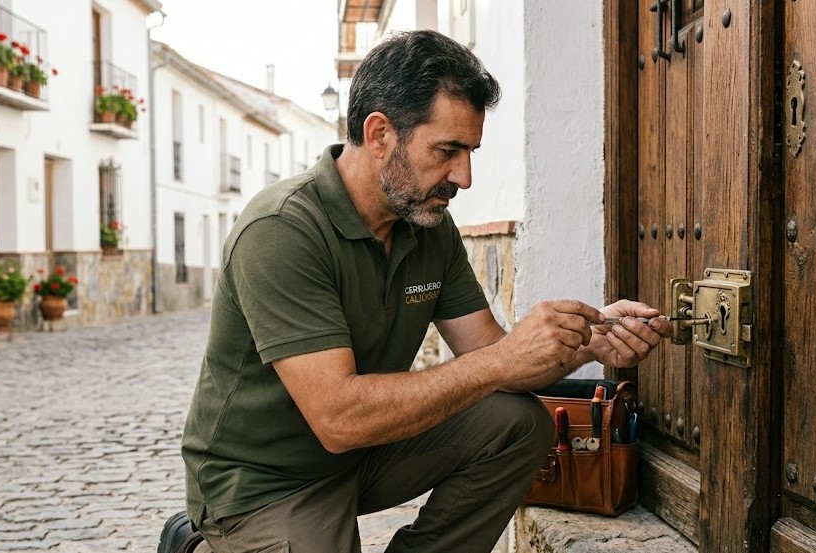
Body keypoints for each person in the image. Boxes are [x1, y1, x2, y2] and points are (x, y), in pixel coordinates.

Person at [182, 29, 673, 553]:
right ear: (379, 135)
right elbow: (339, 418)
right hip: (265, 482)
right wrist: (502, 361)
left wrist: (588, 344)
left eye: (471, 151)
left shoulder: (428, 227)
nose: (463, 176)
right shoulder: (281, 230)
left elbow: (488, 355)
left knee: (519, 424)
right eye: (447, 150)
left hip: (360, 455)